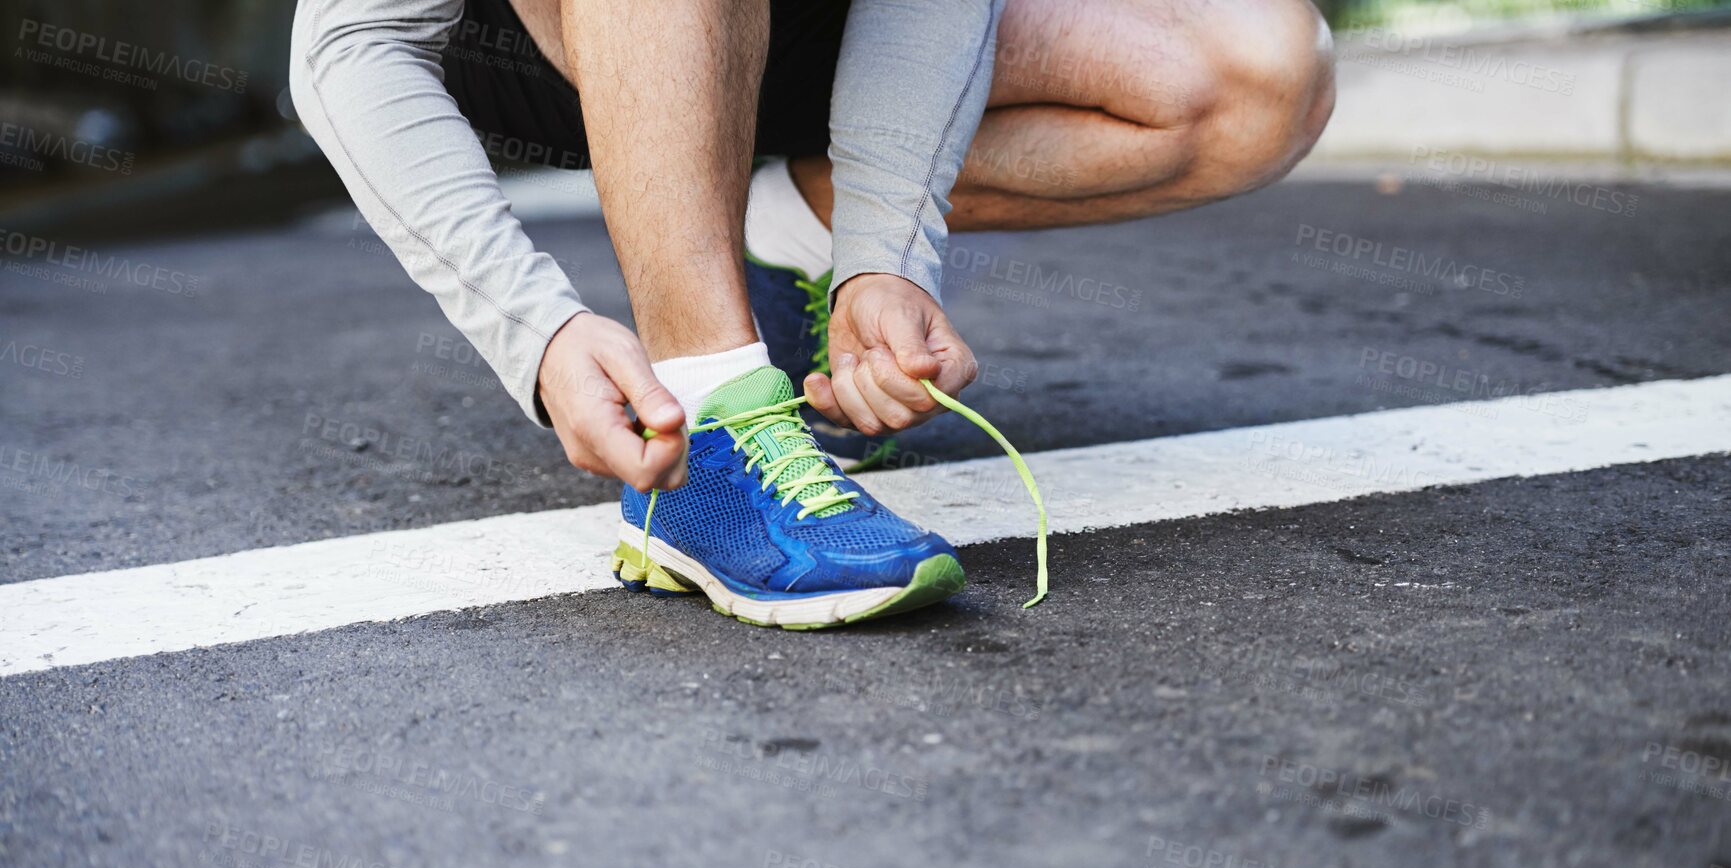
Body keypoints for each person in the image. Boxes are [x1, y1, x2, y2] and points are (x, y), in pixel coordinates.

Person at [289, 0, 1333, 628]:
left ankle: (787, 237)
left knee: (1257, 76)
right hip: (551, 45)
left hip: (804, 36)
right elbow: (348, 39)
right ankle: (711, 431)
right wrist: (538, 331)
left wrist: (882, 252)